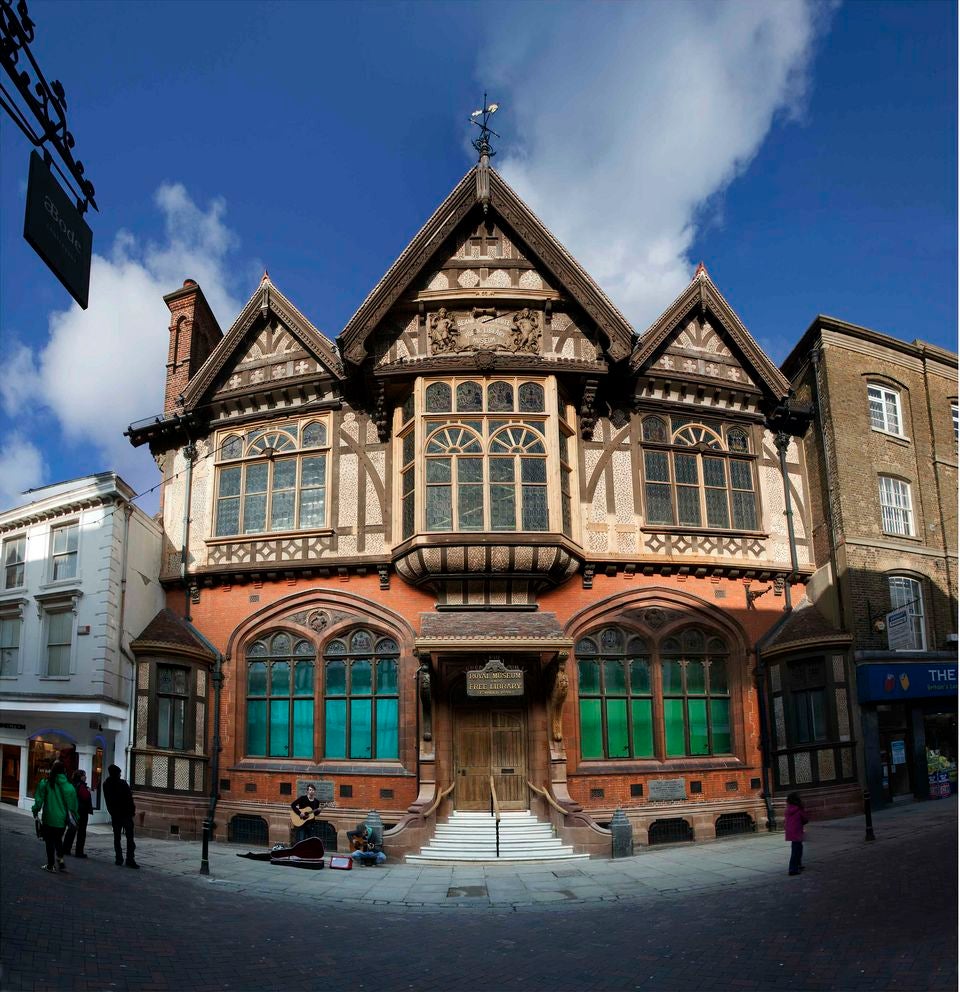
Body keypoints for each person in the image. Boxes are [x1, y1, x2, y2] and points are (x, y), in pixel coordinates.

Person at [31, 759, 78, 874]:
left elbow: (39, 799)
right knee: (58, 840)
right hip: (61, 820)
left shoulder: (46, 783)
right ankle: (60, 860)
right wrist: (76, 818)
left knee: (49, 842)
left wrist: (35, 810)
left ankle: (51, 864)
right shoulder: (69, 787)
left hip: (49, 817)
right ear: (64, 772)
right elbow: (73, 806)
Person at [103, 764, 139, 869]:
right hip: (125, 814)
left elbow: (108, 801)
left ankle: (119, 858)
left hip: (116, 815)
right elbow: (129, 799)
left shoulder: (106, 784)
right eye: (119, 773)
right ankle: (130, 859)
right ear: (117, 773)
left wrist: (112, 812)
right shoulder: (122, 784)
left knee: (117, 838)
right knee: (129, 838)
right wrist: (131, 811)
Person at [63, 769, 93, 858]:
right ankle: (79, 851)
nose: (86, 777)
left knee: (71, 830)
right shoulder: (81, 786)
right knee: (81, 832)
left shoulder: (72, 784)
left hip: (74, 810)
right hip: (82, 811)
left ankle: (66, 848)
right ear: (80, 777)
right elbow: (85, 796)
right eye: (84, 775)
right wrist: (88, 791)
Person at [785, 791, 809, 876]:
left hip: (790, 831)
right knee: (796, 850)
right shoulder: (799, 809)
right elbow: (805, 819)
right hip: (797, 831)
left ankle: (798, 864)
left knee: (797, 848)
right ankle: (793, 869)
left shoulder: (788, 809)